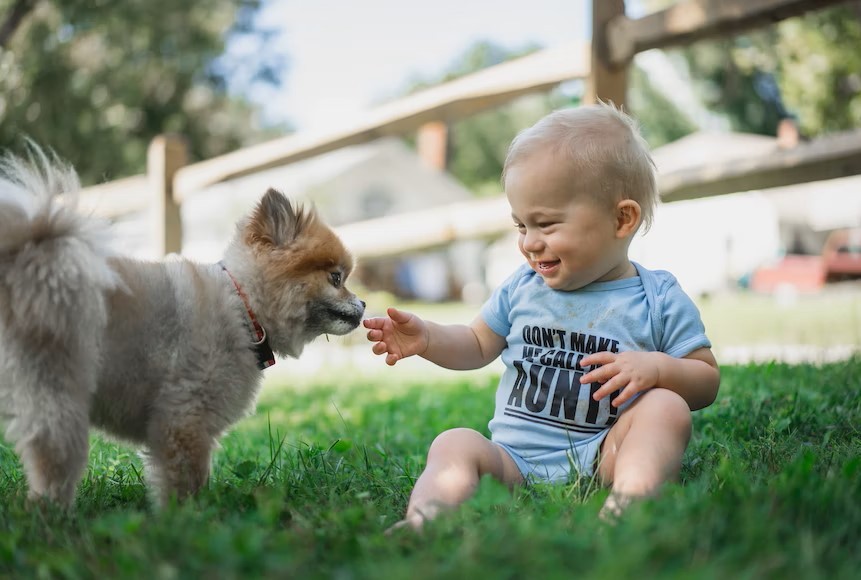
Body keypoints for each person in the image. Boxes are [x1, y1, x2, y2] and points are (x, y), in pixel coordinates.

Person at [363, 103, 721, 530]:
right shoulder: (521, 287)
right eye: (521, 226)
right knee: (454, 442)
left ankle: (628, 504)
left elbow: (705, 380)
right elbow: (477, 344)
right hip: (512, 462)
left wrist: (658, 369)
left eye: (547, 225)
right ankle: (425, 521)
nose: (530, 243)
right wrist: (429, 339)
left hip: (605, 455)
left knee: (667, 407)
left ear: (621, 219)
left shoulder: (657, 296)